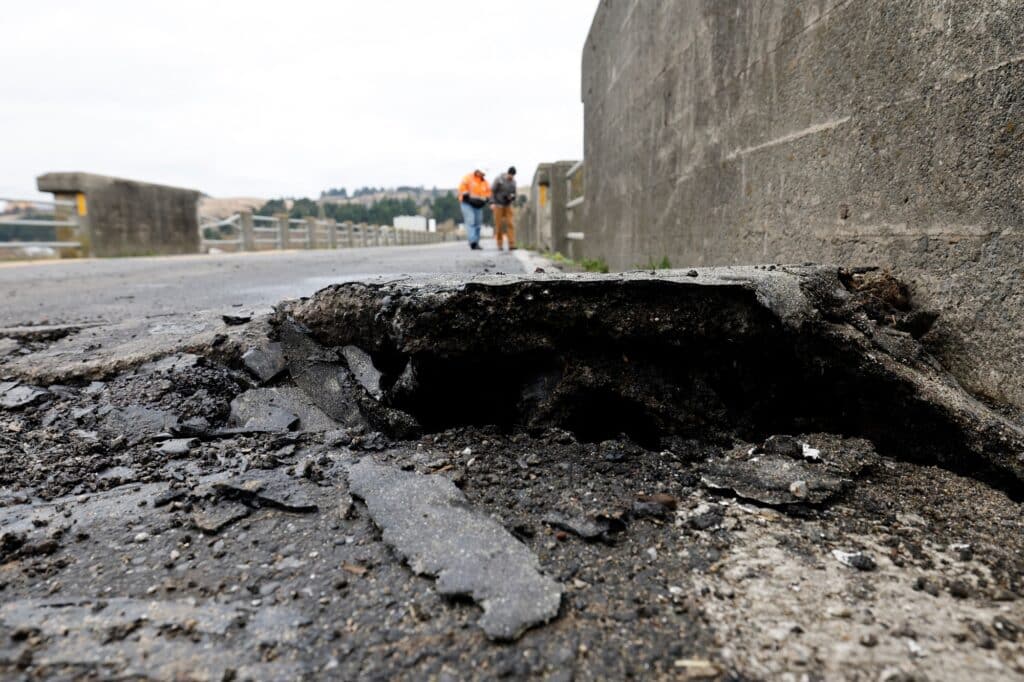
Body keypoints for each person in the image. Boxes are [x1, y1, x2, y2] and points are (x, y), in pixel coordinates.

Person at [458, 168, 491, 250]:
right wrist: (466, 194)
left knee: (478, 224)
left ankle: (476, 242)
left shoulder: (485, 182)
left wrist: (487, 198)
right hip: (467, 203)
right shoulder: (468, 178)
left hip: (478, 205)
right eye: (482, 173)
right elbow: (462, 187)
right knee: (470, 221)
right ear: (478, 171)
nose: (483, 175)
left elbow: (489, 193)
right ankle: (472, 242)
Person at [491, 166, 517, 251]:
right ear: (507, 173)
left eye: (512, 176)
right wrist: (492, 202)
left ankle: (511, 244)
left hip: (508, 205)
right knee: (499, 225)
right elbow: (492, 191)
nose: (511, 177)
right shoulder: (499, 179)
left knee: (510, 223)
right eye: (510, 175)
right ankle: (499, 244)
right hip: (498, 205)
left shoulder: (513, 182)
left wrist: (512, 197)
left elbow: (514, 193)